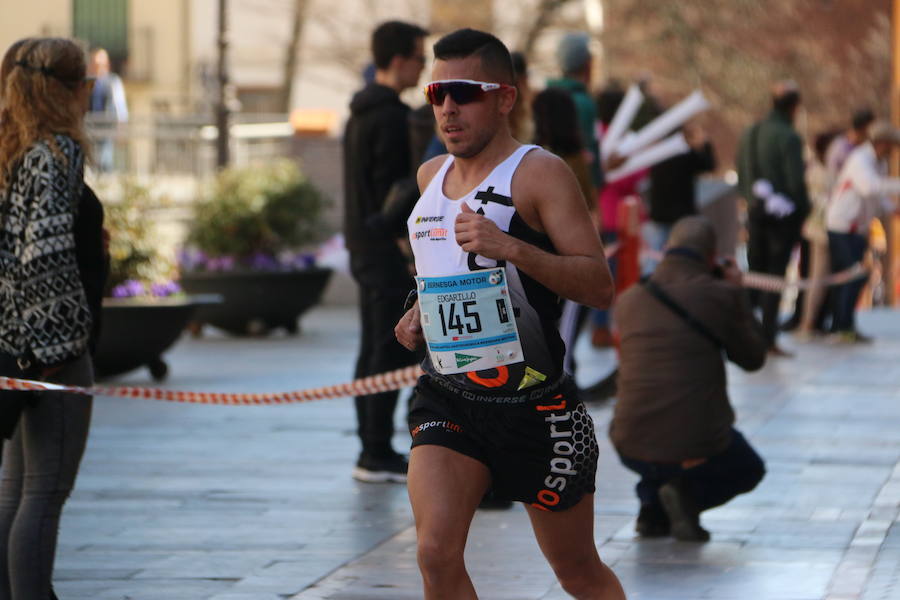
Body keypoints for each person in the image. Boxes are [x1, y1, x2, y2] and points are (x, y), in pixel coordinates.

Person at [394, 28, 624, 599]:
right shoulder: (430, 180)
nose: (448, 107)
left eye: (465, 92)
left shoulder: (539, 174)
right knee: (434, 553)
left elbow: (599, 286)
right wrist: (417, 310)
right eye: (437, 93)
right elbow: (442, 273)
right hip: (448, 395)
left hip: (533, 405)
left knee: (576, 572)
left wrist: (513, 247)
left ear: (504, 98)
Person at [0, 37, 98, 600]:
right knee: (42, 494)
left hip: (11, 345)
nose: (89, 93)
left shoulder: (11, 148)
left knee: (17, 490)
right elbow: (47, 259)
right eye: (84, 83)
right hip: (49, 350)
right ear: (64, 91)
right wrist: (61, 346)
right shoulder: (57, 153)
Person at [612, 216, 767, 542]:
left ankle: (653, 507)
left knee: (659, 441)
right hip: (698, 445)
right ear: (713, 257)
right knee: (749, 467)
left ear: (667, 249)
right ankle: (685, 500)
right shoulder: (721, 295)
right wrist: (738, 294)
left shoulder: (630, 298)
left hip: (629, 442)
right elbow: (753, 359)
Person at [343, 20, 428, 483]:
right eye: (419, 57)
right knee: (387, 349)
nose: (422, 66)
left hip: (361, 244)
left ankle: (371, 446)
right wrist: (407, 247)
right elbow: (397, 191)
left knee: (372, 348)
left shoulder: (358, 111)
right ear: (399, 61)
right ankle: (374, 451)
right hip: (383, 248)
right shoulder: (392, 117)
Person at [736, 80, 810, 356]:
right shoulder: (788, 137)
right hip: (782, 217)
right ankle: (767, 337)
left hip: (755, 213)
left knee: (755, 275)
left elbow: (742, 176)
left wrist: (752, 199)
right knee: (775, 277)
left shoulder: (751, 133)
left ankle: (746, 332)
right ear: (793, 107)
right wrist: (803, 210)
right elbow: (795, 183)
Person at [531, 88, 597, 382]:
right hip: (570, 256)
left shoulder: (529, 157)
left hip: (537, 255)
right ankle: (564, 387)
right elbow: (590, 206)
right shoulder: (575, 160)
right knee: (566, 332)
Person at [825, 120, 900, 342]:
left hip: (859, 228)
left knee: (857, 276)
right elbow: (869, 187)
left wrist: (893, 208)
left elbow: (877, 197)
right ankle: (840, 326)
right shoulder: (860, 159)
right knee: (851, 275)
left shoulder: (879, 164)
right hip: (842, 226)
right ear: (882, 143)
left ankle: (846, 323)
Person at [642, 122, 716, 274]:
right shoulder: (686, 155)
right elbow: (709, 165)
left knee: (655, 256)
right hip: (682, 215)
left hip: (660, 213)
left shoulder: (657, 155)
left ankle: (650, 282)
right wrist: (704, 143)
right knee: (683, 254)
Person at [547, 32, 602, 190]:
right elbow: (586, 154)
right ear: (587, 64)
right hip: (577, 191)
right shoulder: (583, 103)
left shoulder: (547, 96)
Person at [86, 48, 128, 172]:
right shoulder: (87, 82)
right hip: (89, 130)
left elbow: (120, 106)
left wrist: (121, 128)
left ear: (107, 65)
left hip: (106, 130)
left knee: (105, 161)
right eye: (95, 64)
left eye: (101, 64)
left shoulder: (113, 82)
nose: (98, 67)